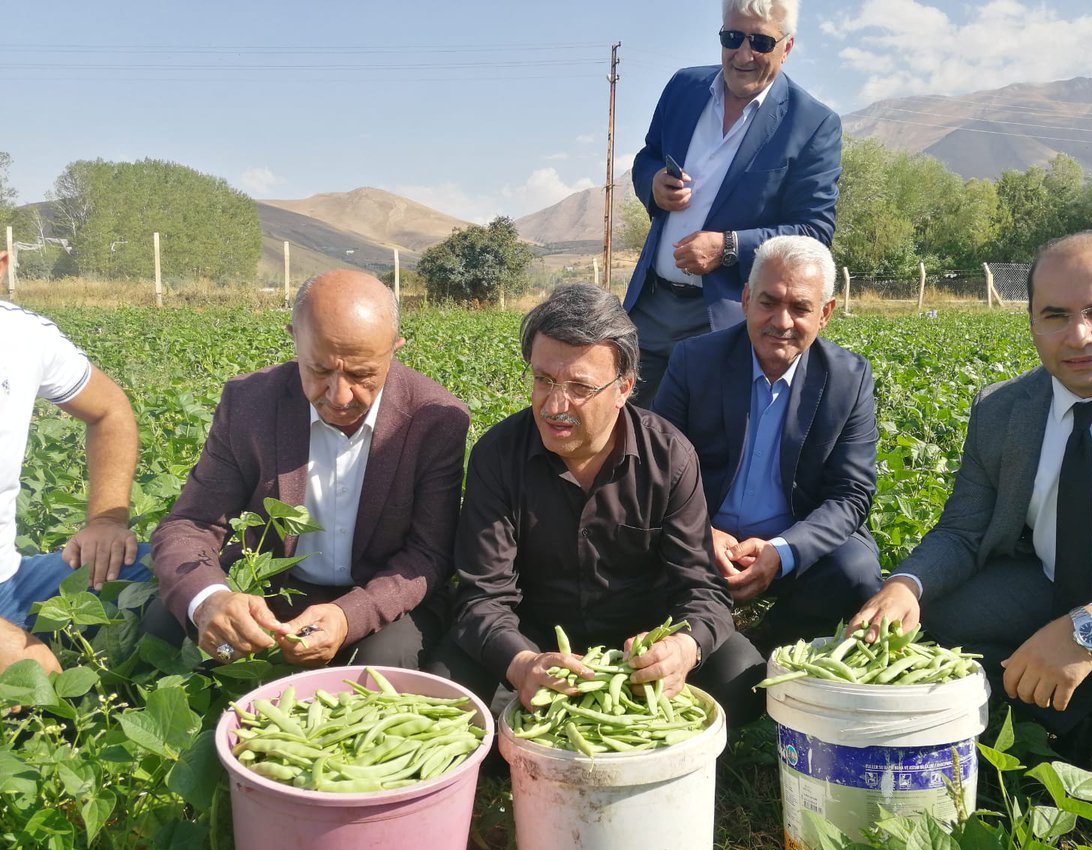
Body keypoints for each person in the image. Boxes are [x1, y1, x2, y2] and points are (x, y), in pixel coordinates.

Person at [853, 231, 1092, 816]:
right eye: (1055, 315)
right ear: (1031, 320)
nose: (1078, 336)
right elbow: (962, 530)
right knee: (920, 623)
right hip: (1049, 585)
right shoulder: (1002, 408)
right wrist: (904, 586)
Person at [432, 282, 765, 727]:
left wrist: (681, 650)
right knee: (454, 693)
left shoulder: (668, 457)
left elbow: (701, 590)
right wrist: (522, 663)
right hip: (535, 641)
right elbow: (482, 596)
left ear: (624, 387)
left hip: (639, 652)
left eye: (578, 388)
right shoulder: (499, 456)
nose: (554, 405)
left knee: (738, 673)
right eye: (544, 380)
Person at [148, 269, 469, 669]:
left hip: (375, 592)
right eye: (319, 370)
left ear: (394, 349)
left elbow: (429, 553)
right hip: (269, 594)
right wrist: (209, 598)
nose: (340, 395)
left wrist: (349, 615)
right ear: (294, 340)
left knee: (384, 662)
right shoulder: (250, 404)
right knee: (166, 621)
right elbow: (190, 523)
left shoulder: (433, 419)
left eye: (362, 374)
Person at [653, 235, 881, 643]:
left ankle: (769, 639)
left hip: (792, 539)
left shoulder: (848, 378)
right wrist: (701, 530)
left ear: (826, 313)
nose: (781, 322)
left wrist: (782, 551)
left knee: (856, 573)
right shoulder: (694, 361)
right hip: (705, 538)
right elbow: (657, 468)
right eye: (768, 302)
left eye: (800, 308)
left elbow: (852, 492)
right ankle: (712, 637)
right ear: (745, 299)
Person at [624, 0, 842, 404]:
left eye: (760, 41)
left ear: (787, 46)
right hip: (650, 307)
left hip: (726, 319)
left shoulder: (812, 124)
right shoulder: (683, 88)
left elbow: (814, 230)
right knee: (630, 438)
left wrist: (726, 247)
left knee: (703, 450)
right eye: (732, 38)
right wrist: (653, 183)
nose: (743, 54)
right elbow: (647, 155)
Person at [0, 249, 148, 674]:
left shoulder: (22, 337)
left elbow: (110, 411)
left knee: (164, 578)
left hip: (12, 582)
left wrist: (106, 520)